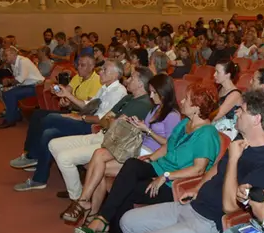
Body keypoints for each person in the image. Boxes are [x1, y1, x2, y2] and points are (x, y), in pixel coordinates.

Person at [120, 88, 264, 233]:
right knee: (128, 221)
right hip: (194, 205)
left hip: (211, 225)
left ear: (256, 119)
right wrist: (198, 187)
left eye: (241, 110)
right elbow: (217, 167)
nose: (236, 113)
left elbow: (231, 207)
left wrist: (233, 159)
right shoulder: (241, 140)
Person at [73, 83, 221, 233]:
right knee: (132, 165)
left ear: (197, 107)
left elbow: (199, 170)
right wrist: (151, 157)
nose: (181, 101)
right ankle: (103, 221)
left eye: (187, 99)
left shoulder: (207, 134)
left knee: (125, 189)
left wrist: (166, 176)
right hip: (160, 169)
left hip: (174, 185)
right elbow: (168, 146)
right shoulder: (186, 123)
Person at [58, 72, 178, 222]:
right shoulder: (155, 109)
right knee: (98, 157)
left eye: (154, 92)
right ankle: (88, 209)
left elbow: (169, 145)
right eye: (151, 91)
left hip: (149, 155)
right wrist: (136, 123)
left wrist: (147, 130)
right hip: (137, 146)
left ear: (164, 93)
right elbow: (145, 131)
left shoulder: (173, 115)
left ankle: (87, 207)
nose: (151, 95)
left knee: (97, 166)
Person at [14, 64, 148, 192]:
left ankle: (36, 165)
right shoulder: (111, 90)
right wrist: (69, 99)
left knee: (49, 125)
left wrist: (82, 117)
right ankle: (33, 157)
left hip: (93, 126)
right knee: (42, 121)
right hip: (93, 122)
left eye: (104, 70)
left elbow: (105, 120)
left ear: (114, 75)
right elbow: (93, 109)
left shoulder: (120, 92)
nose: (100, 71)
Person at [0, 46, 45, 128]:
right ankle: (16, 116)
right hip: (27, 85)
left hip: (37, 87)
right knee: (5, 93)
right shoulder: (13, 63)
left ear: (13, 54)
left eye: (6, 55)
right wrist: (9, 84)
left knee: (10, 94)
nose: (4, 57)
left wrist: (9, 82)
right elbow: (19, 80)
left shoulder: (23, 61)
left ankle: (10, 120)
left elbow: (20, 79)